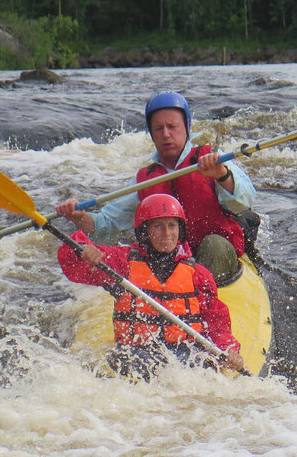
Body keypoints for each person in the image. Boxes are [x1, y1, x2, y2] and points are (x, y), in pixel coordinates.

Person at [56, 92, 257, 284]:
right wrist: (79, 217)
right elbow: (107, 227)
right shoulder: (145, 179)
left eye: (172, 126)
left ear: (186, 128)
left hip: (216, 257)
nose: (166, 134)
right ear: (152, 134)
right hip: (169, 264)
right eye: (159, 128)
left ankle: (199, 295)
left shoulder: (212, 159)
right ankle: (173, 291)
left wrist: (222, 176)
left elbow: (245, 201)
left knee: (213, 246)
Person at [59, 193, 244, 380]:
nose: (166, 234)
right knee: (138, 366)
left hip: (185, 353)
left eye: (172, 225)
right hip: (134, 353)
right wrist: (84, 250)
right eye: (158, 226)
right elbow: (73, 265)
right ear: (144, 231)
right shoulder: (122, 264)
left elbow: (216, 322)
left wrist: (228, 349)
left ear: (180, 230)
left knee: (201, 368)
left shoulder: (199, 275)